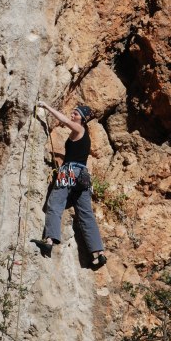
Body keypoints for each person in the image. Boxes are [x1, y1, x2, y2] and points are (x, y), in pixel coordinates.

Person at [36, 101, 107, 270]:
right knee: (86, 214)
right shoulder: (84, 136)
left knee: (55, 204)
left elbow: (64, 121)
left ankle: (49, 240)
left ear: (81, 119)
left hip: (70, 173)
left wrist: (46, 107)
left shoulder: (79, 129)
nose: (72, 116)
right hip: (82, 177)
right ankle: (99, 253)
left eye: (75, 114)